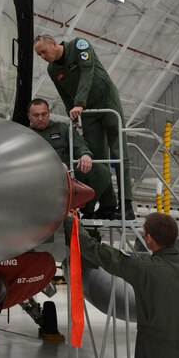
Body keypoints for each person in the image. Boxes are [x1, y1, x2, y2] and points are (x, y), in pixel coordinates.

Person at [65, 212, 179, 357]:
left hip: (155, 350)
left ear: (149, 238)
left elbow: (97, 252)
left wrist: (71, 222)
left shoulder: (143, 268)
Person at [34, 34, 135, 220]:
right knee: (97, 158)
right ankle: (108, 204)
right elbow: (64, 94)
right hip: (87, 112)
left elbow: (88, 73)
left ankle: (126, 205)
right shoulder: (52, 69)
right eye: (39, 55)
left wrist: (79, 102)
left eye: (43, 52)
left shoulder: (80, 46)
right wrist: (71, 113)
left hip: (106, 101)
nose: (43, 57)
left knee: (118, 152)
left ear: (54, 44)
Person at [27, 98, 117, 219]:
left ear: (49, 113)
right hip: (40, 181)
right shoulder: (24, 135)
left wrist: (85, 154)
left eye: (44, 114)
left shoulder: (63, 128)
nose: (40, 118)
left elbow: (78, 144)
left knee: (102, 171)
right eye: (36, 115)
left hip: (68, 177)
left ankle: (87, 209)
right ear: (29, 116)